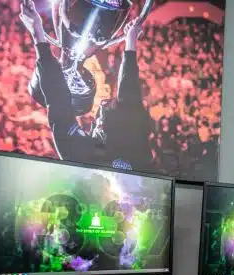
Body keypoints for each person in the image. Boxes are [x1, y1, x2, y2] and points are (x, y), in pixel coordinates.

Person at [19, 0, 151, 170]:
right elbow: (129, 93)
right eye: (108, 105)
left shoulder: (77, 153)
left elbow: (57, 102)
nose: (105, 102)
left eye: (106, 106)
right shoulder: (133, 139)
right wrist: (131, 42)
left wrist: (37, 32)